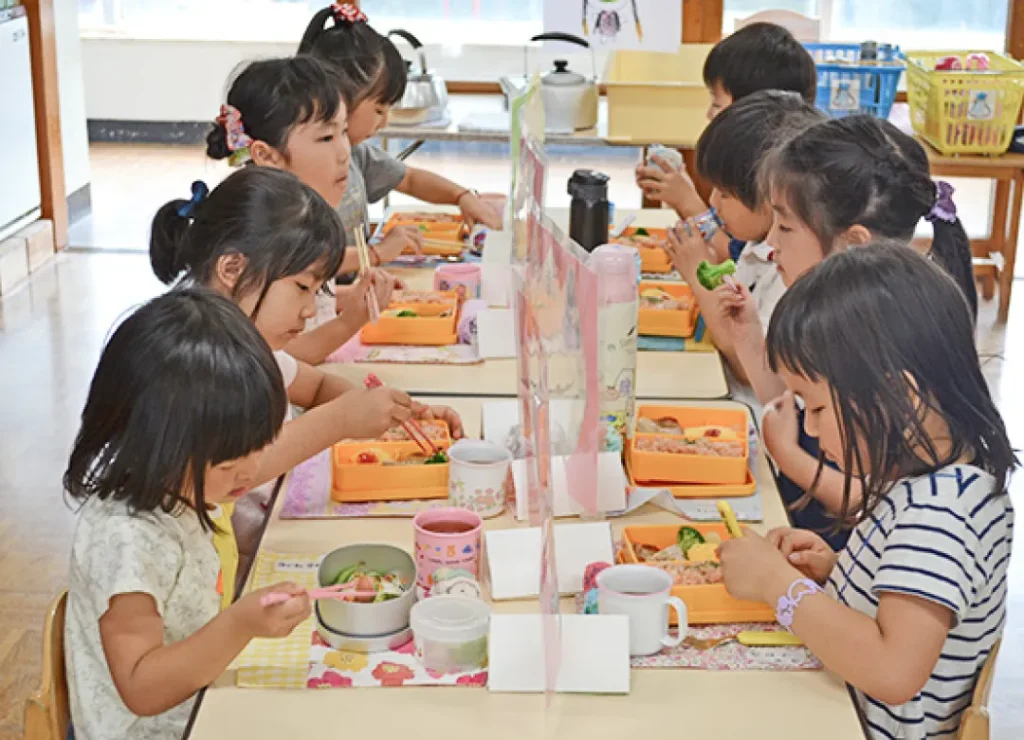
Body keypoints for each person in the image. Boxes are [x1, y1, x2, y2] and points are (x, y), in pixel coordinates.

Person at [718, 245, 1015, 740]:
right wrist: (838, 570)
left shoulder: (940, 514)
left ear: (898, 398)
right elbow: (915, 606)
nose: (810, 427)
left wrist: (778, 585)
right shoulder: (943, 474)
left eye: (816, 409)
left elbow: (894, 670)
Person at [150, 166, 464, 585]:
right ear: (231, 269)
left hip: (259, 537)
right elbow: (226, 475)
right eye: (302, 289)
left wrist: (393, 417)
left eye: (318, 292)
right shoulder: (191, 357)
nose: (309, 310)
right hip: (215, 575)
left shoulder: (249, 340)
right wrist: (340, 421)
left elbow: (313, 385)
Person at [64, 289, 312, 740]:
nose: (252, 469)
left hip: (203, 702)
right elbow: (141, 688)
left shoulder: (184, 485)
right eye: (230, 461)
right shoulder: (126, 539)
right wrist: (240, 624)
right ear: (159, 444)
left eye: (258, 447)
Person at [206, 55, 395, 365]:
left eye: (344, 132)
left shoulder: (304, 221)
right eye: (326, 137)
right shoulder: (264, 235)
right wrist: (350, 321)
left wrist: (355, 299)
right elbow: (277, 361)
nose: (344, 152)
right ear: (267, 155)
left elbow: (314, 307)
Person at [298, 2, 504, 256]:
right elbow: (304, 266)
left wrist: (462, 197)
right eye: (379, 110)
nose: (384, 122)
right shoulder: (298, 169)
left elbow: (409, 178)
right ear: (339, 98)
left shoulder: (354, 154)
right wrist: (376, 254)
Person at [663, 91, 823, 389]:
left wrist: (699, 273)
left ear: (770, 199)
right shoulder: (757, 241)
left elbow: (747, 368)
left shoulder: (791, 268)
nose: (713, 201)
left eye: (724, 194)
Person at [635, 21, 817, 260]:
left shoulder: (785, 188)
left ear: (752, 110)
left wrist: (686, 200)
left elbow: (734, 257)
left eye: (717, 103)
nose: (709, 114)